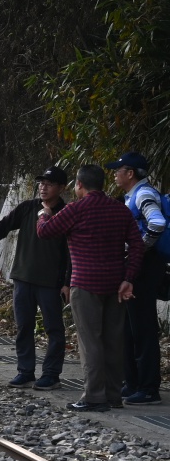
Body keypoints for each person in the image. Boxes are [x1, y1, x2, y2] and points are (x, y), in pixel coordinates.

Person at [37, 164, 144, 413]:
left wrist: (43, 213)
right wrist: (129, 277)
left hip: (85, 285)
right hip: (116, 285)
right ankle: (114, 395)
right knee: (113, 341)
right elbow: (137, 246)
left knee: (90, 343)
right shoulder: (120, 210)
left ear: (79, 185)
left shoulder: (76, 209)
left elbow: (45, 231)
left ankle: (94, 396)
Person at [0, 166, 72, 389]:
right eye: (41, 183)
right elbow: (4, 225)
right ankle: (25, 371)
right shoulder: (28, 208)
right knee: (24, 327)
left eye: (49, 184)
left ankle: (51, 374)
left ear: (61, 188)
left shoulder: (66, 213)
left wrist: (67, 282)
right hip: (23, 277)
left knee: (54, 329)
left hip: (50, 282)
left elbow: (70, 253)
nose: (43, 187)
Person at [109, 151, 167, 404]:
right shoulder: (133, 195)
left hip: (144, 268)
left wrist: (138, 250)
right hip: (138, 266)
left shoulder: (143, 194)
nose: (114, 174)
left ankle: (148, 388)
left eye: (118, 170)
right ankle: (132, 383)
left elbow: (157, 223)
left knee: (142, 328)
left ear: (130, 173)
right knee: (131, 328)